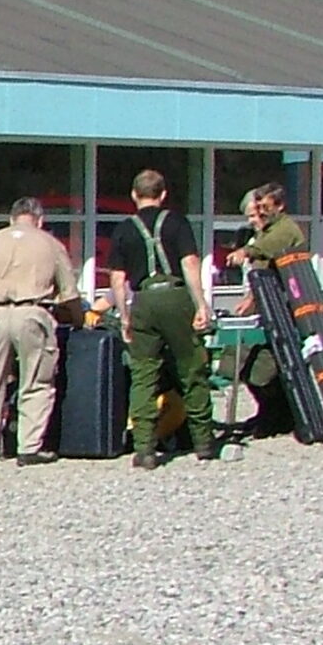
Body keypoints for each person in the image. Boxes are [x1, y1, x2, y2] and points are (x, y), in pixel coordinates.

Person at [0, 197, 79, 465]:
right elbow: (69, 293)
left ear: (11, 219)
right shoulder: (51, 244)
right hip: (33, 314)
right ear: (40, 220)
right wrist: (79, 320)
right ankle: (29, 447)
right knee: (36, 381)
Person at [106, 169, 217, 469]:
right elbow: (190, 263)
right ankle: (204, 442)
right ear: (163, 194)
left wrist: (124, 316)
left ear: (134, 194)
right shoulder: (177, 222)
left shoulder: (124, 230)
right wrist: (201, 304)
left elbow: (117, 279)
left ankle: (144, 448)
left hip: (144, 300)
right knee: (192, 367)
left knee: (143, 374)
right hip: (176, 295)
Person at [229, 183, 308, 314]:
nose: (261, 212)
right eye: (259, 207)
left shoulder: (286, 228)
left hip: (293, 300)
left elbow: (267, 247)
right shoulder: (267, 230)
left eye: (265, 207)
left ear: (280, 205)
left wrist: (244, 252)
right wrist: (250, 298)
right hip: (273, 297)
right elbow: (262, 268)